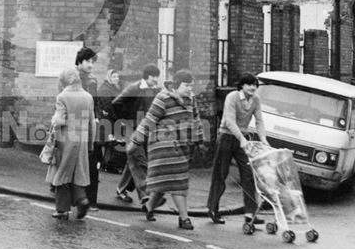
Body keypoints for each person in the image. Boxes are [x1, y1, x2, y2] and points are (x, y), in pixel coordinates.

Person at [129, 68, 203, 230]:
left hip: (182, 145)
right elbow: (149, 121)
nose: (190, 89)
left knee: (164, 183)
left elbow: (196, 119)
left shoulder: (191, 100)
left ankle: (148, 207)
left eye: (192, 86)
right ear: (176, 85)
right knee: (177, 180)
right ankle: (184, 218)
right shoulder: (162, 98)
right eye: (187, 85)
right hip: (162, 146)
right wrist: (135, 143)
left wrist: (199, 140)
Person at [206, 72, 269, 226]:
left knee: (248, 174)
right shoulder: (232, 97)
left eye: (255, 85)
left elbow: (259, 121)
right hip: (227, 137)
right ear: (242, 85)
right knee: (220, 174)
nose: (253, 87)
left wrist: (263, 139)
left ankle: (250, 213)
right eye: (249, 84)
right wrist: (241, 139)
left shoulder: (255, 100)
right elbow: (229, 121)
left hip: (243, 140)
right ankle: (213, 209)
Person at [45, 67, 96, 220]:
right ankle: (82, 200)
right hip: (82, 141)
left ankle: (62, 210)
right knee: (77, 173)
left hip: (65, 140)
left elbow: (59, 121)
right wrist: (90, 145)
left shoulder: (62, 97)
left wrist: (53, 122)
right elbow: (91, 123)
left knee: (61, 173)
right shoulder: (88, 97)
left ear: (65, 81)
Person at [110, 63, 161, 203]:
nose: (156, 79)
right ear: (146, 76)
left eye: (158, 77)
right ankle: (146, 196)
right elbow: (116, 103)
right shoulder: (135, 88)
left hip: (145, 128)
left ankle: (121, 189)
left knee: (132, 159)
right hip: (131, 129)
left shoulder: (154, 90)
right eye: (154, 77)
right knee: (139, 159)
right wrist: (126, 119)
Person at [74, 47, 103, 210]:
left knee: (92, 162)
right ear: (80, 61)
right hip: (74, 125)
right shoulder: (71, 78)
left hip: (90, 125)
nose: (91, 65)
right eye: (88, 61)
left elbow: (95, 104)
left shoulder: (93, 81)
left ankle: (90, 200)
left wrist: (96, 120)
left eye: (93, 62)